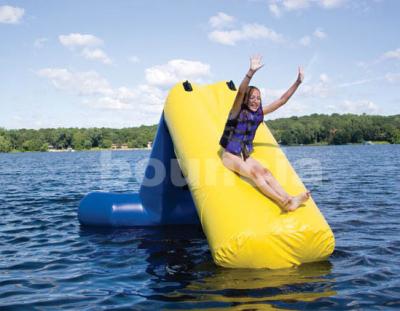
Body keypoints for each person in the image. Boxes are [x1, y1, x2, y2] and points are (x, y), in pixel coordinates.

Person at [219, 54, 310, 212]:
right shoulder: (236, 112)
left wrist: (298, 82)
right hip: (230, 156)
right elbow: (240, 93)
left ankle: (290, 198)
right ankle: (284, 202)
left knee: (266, 173)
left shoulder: (259, 113)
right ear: (246, 100)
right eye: (252, 98)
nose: (255, 101)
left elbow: (281, 101)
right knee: (256, 174)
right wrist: (251, 72)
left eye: (258, 98)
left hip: (245, 155)